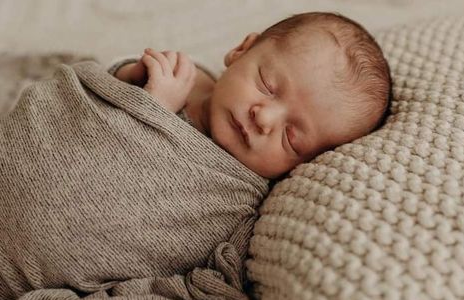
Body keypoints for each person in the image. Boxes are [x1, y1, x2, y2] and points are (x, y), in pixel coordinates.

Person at [112, 10, 392, 179]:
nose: (264, 118)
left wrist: (154, 114)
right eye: (267, 86)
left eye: (290, 138)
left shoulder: (232, 190)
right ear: (242, 50)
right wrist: (136, 78)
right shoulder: (185, 77)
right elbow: (97, 90)